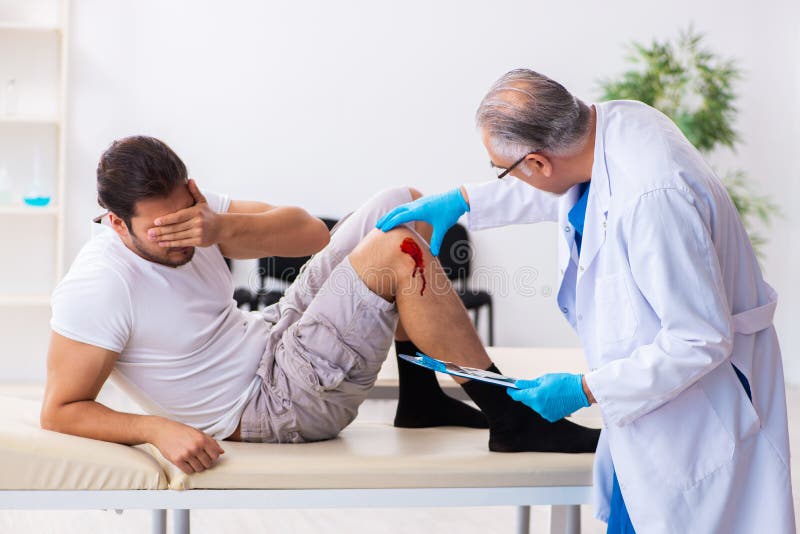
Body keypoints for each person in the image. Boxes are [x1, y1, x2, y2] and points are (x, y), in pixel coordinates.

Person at [376, 69, 795, 533]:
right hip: (653, 407)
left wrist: (585, 389)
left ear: (537, 162)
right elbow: (561, 190)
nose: (505, 178)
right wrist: (464, 199)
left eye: (502, 169)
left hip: (701, 409)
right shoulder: (607, 130)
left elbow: (700, 338)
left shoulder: (653, 200)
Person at [40, 136, 599, 476]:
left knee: (400, 204)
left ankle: (421, 399)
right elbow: (61, 409)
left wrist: (221, 225)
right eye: (162, 232)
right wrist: (155, 429)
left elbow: (309, 233)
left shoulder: (199, 215)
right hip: (268, 404)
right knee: (397, 250)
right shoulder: (99, 284)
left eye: (186, 217)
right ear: (117, 224)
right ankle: (512, 419)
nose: (181, 239)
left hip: (273, 337)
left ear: (192, 189)